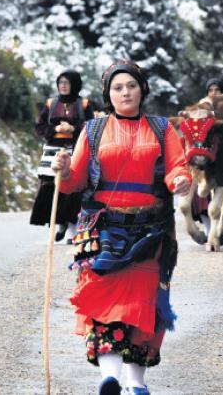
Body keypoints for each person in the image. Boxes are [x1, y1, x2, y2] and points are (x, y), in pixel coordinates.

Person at [51, 59, 191, 395]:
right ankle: (109, 379)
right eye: (117, 87)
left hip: (150, 232)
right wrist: (64, 170)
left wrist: (182, 180)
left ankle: (136, 383)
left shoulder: (162, 129)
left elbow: (176, 168)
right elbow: (74, 183)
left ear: (142, 89)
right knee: (103, 305)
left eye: (130, 85)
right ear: (108, 94)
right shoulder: (93, 131)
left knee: (143, 308)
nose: (125, 92)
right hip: (102, 231)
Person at [30, 70, 94, 242]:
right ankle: (60, 222)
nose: (63, 86)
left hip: (76, 148)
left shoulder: (85, 104)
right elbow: (40, 126)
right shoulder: (51, 103)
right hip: (53, 150)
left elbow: (92, 127)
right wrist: (56, 129)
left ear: (74, 84)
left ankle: (73, 226)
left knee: (73, 188)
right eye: (60, 83)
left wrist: (74, 129)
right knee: (51, 186)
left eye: (67, 82)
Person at [190, 78, 223, 238]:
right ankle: (208, 228)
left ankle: (220, 228)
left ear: (222, 92)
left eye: (217, 90)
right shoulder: (199, 109)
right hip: (204, 157)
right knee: (200, 194)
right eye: (211, 90)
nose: (214, 93)